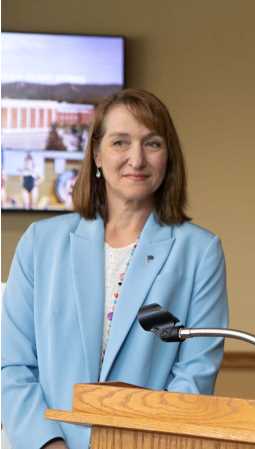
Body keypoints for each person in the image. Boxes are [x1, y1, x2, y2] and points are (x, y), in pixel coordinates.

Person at [2, 88, 229, 449]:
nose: (136, 159)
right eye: (120, 142)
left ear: (168, 157)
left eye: (152, 144)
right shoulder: (40, 243)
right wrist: (47, 444)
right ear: (96, 154)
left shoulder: (199, 251)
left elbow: (194, 374)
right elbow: (12, 366)